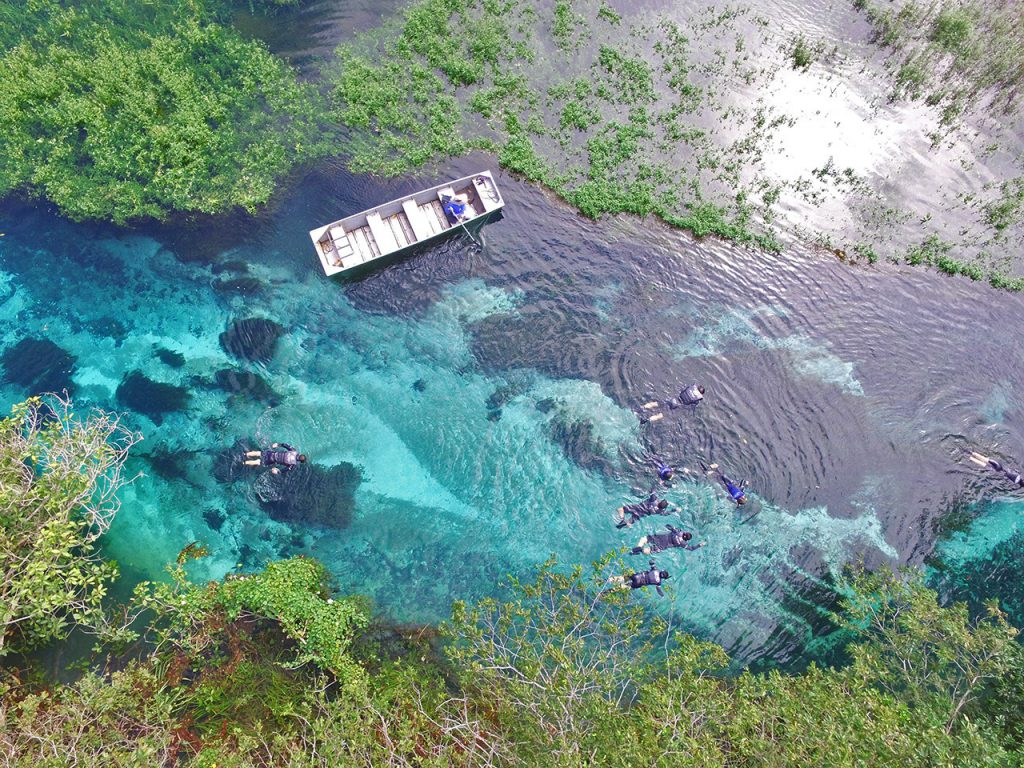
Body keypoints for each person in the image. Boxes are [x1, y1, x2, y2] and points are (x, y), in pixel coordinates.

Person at [639, 383, 706, 423]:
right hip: (678, 405)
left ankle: (641, 407)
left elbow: (682, 390)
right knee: (661, 415)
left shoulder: (690, 388)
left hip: (673, 399)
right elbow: (692, 406)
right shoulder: (697, 399)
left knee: (656, 403)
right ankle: (648, 420)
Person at [631, 524, 706, 555]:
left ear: (684, 533)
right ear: (687, 540)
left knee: (644, 539)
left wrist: (673, 528)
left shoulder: (678, 532)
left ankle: (638, 547)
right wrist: (700, 545)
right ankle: (640, 550)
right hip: (662, 546)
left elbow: (668, 526)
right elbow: (691, 549)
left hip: (659, 538)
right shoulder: (683, 544)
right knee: (646, 551)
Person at [607, 560, 671, 596]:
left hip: (637, 576)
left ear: (662, 571)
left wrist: (653, 561)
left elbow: (651, 562)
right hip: (638, 583)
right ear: (664, 578)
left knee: (621, 578)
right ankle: (604, 593)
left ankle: (604, 581)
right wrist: (662, 595)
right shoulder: (658, 582)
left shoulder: (656, 570)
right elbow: (658, 590)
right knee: (622, 587)